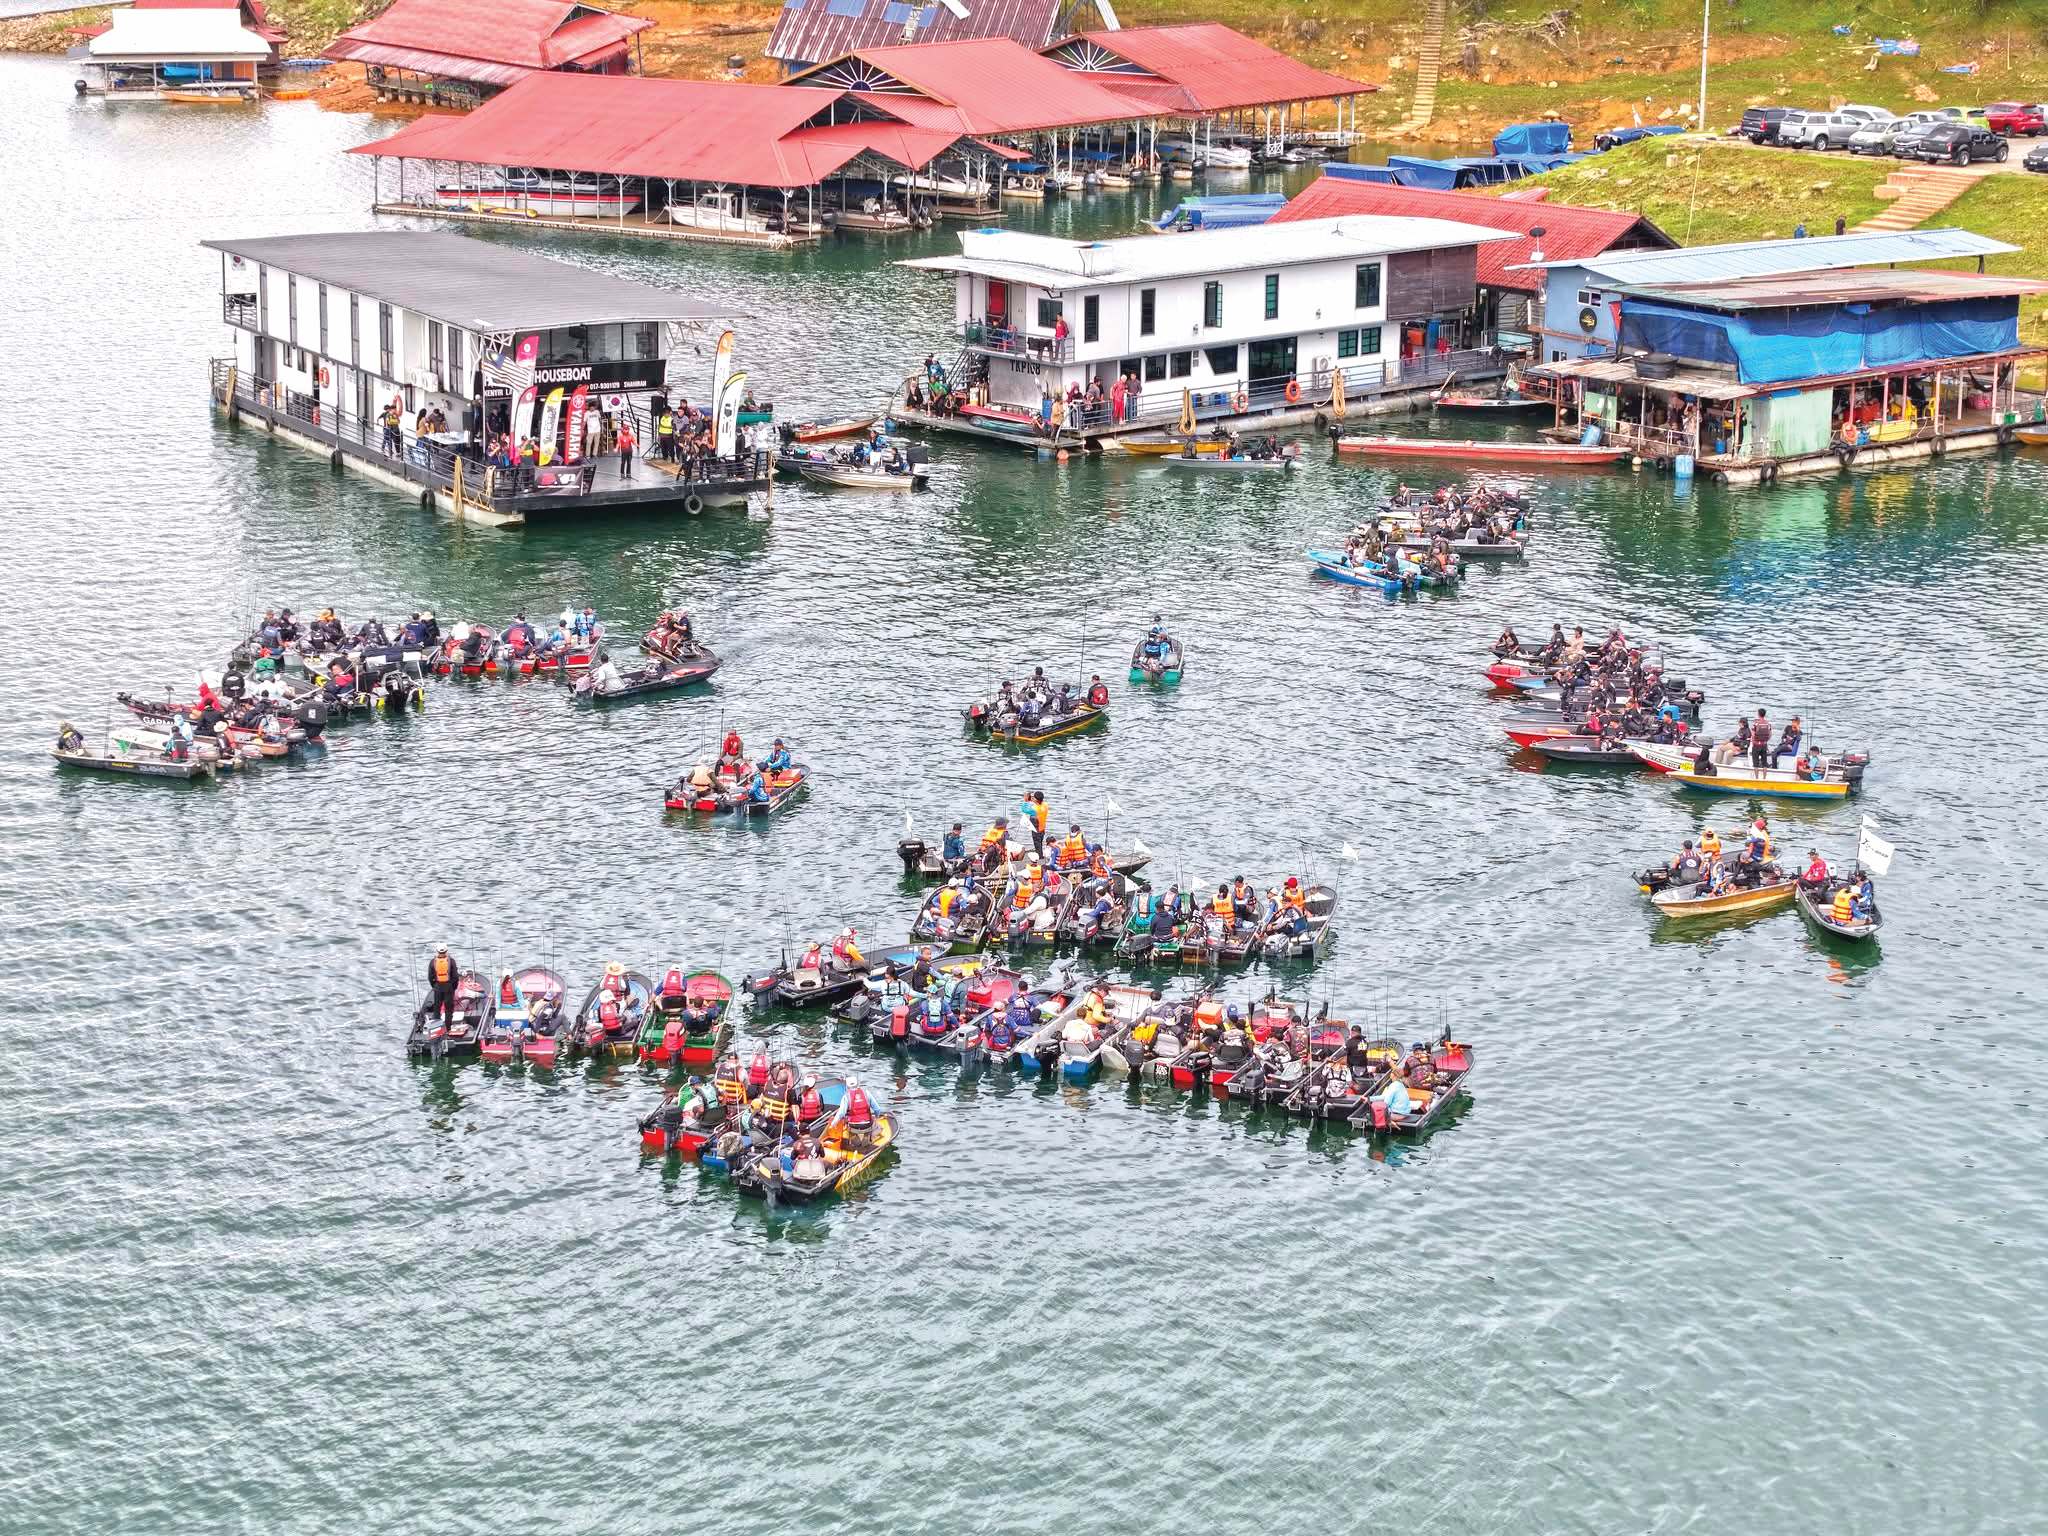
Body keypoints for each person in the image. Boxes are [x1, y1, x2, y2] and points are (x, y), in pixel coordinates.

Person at [425, 944, 459, 1028]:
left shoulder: (433, 962)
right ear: (446, 951)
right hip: (448, 988)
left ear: (437, 951)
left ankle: (436, 1028)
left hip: (437, 988)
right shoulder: (451, 961)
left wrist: (434, 986)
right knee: (448, 1010)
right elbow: (455, 977)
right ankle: (448, 1028)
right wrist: (453, 987)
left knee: (437, 1009)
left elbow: (430, 977)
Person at [1020, 789, 1050, 857]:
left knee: (1037, 844)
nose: (1032, 798)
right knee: (1040, 842)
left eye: (1034, 797)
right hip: (1042, 827)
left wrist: (1026, 800)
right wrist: (1031, 799)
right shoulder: (1045, 805)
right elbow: (1036, 802)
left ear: (1036, 800)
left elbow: (1024, 809)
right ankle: (1040, 854)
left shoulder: (1034, 809)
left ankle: (1039, 856)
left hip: (1036, 828)